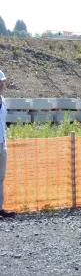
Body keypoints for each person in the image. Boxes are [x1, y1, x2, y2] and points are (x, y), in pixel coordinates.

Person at [0, 70, 15, 219]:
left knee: (1, 177)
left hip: (2, 143)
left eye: (3, 81)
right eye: (1, 81)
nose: (2, 84)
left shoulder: (3, 101)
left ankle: (0, 207)